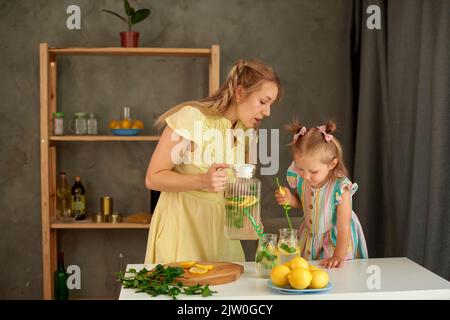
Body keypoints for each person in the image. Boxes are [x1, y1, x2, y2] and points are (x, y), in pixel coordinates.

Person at [144, 59, 281, 264]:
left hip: (221, 234)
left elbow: (237, 187)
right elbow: (153, 178)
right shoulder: (192, 118)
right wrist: (202, 181)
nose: (267, 112)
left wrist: (247, 216)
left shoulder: (247, 131)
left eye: (271, 104)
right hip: (182, 230)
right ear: (241, 92)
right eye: (263, 102)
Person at [274, 121, 368, 268]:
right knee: (310, 274)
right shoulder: (301, 179)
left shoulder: (340, 188)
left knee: (333, 275)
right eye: (300, 169)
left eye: (313, 171)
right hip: (310, 238)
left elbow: (344, 227)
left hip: (336, 242)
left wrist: (338, 256)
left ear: (331, 164)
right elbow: (303, 202)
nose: (305, 176)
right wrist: (290, 199)